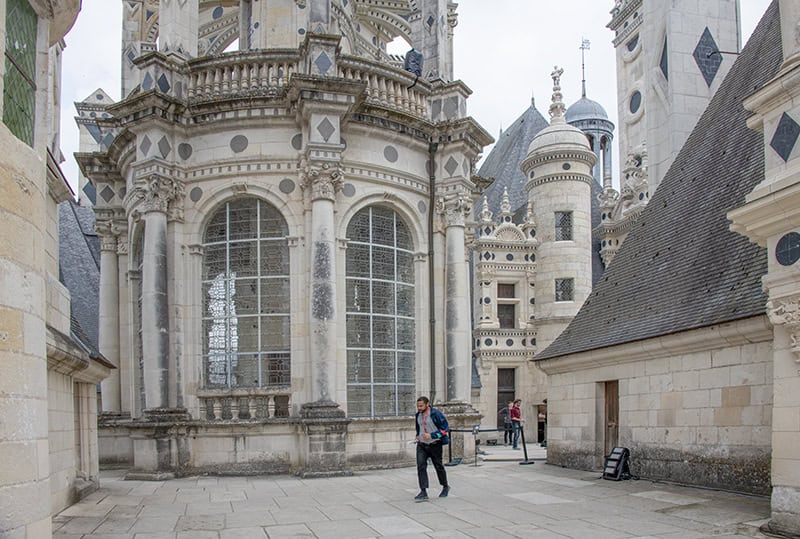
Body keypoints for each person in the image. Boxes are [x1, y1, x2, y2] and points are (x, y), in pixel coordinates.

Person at [414, 396, 450, 501]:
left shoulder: (436, 414)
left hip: (435, 444)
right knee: (421, 466)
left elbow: (445, 429)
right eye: (418, 406)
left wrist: (432, 435)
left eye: (421, 406)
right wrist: (418, 436)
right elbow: (419, 428)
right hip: (422, 444)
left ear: (427, 404)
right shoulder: (418, 415)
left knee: (438, 466)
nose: (419, 408)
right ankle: (423, 491)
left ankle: (445, 486)